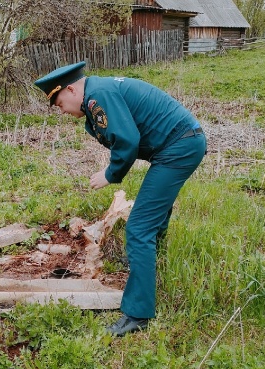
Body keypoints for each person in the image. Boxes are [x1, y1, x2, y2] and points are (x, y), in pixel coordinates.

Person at [34, 62, 206, 337]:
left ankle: (137, 314)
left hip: (179, 147)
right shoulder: (95, 96)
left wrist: (110, 174)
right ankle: (147, 261)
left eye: (59, 103)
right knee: (152, 213)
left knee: (138, 228)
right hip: (180, 144)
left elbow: (127, 140)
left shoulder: (98, 95)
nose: (61, 111)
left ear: (70, 89)